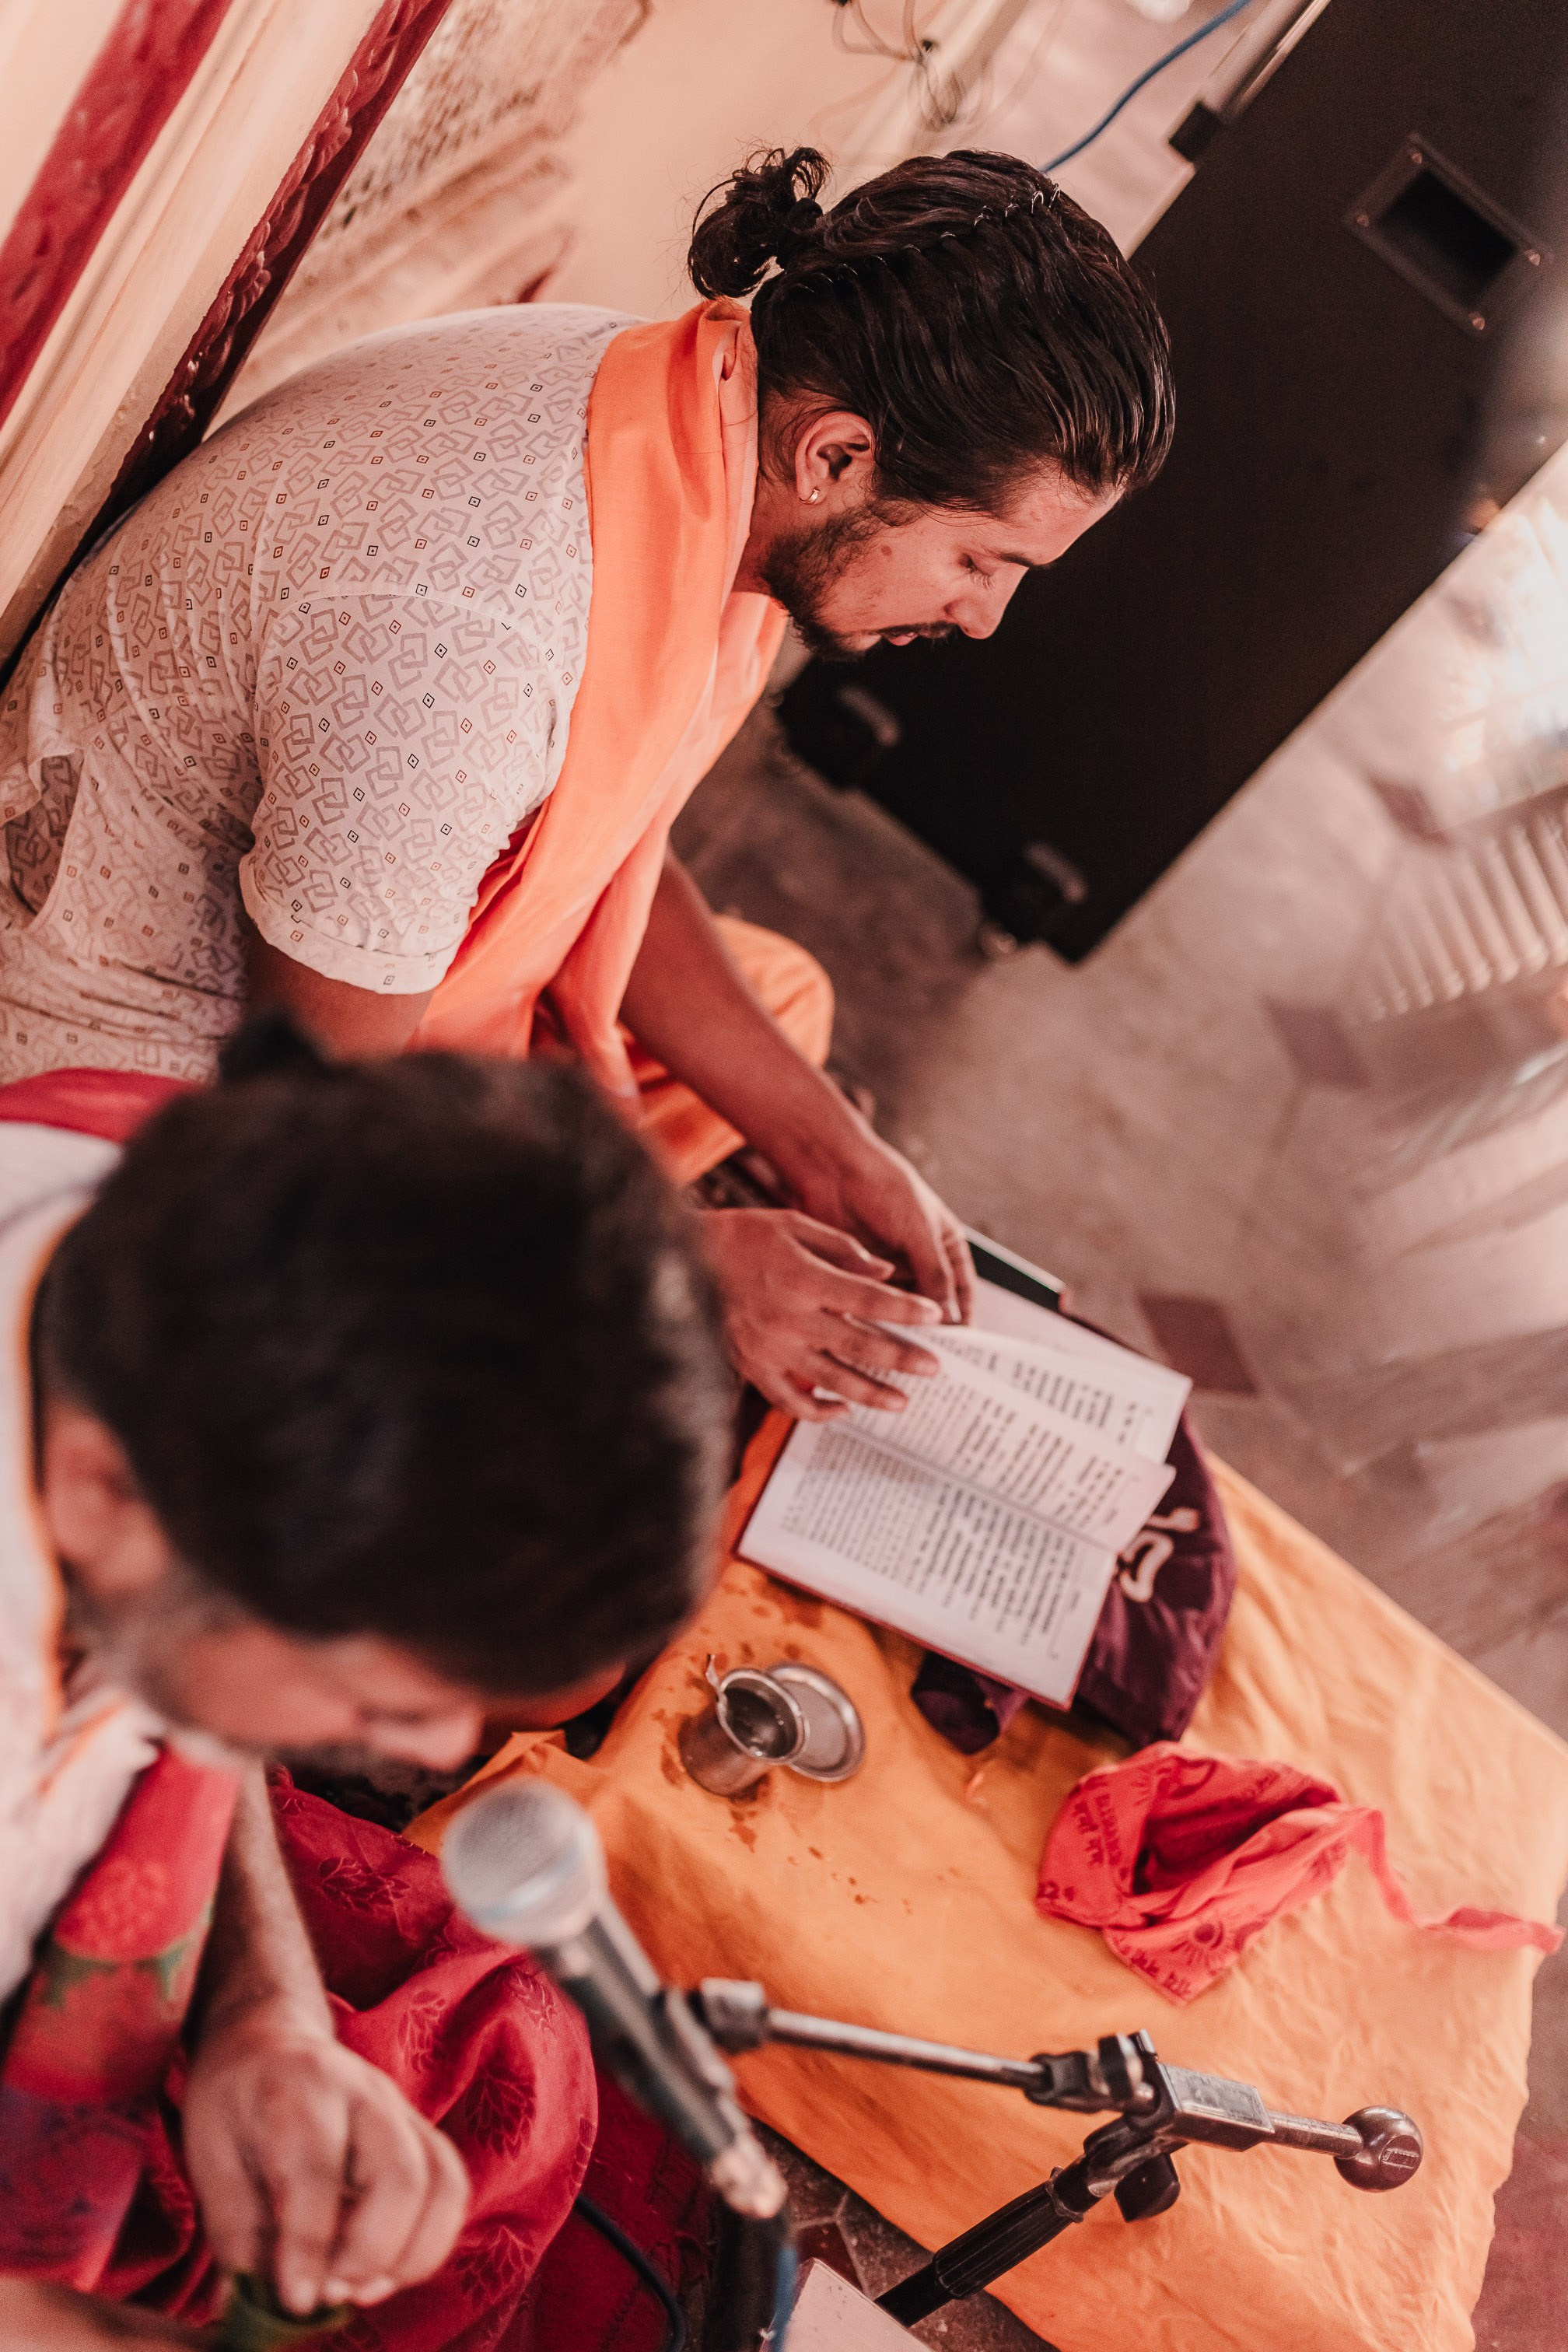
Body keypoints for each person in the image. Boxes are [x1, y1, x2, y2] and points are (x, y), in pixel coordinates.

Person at [0, 145, 1173, 1423]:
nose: (986, 617)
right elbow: (312, 1126)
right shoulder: (475, 626)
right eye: (979, 557)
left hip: (368, 979)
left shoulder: (692, 416)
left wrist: (829, 1146)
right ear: (837, 458)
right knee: (504, 1461)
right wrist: (678, 1266)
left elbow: (593, 829)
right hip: (136, 1082)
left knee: (785, 1012)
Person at [0, 1030, 730, 2350]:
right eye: (379, 1702)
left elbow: (189, 1737)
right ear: (106, 1491)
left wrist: (260, 2017)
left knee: (515, 2075)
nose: (448, 1749)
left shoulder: (168, 1222)